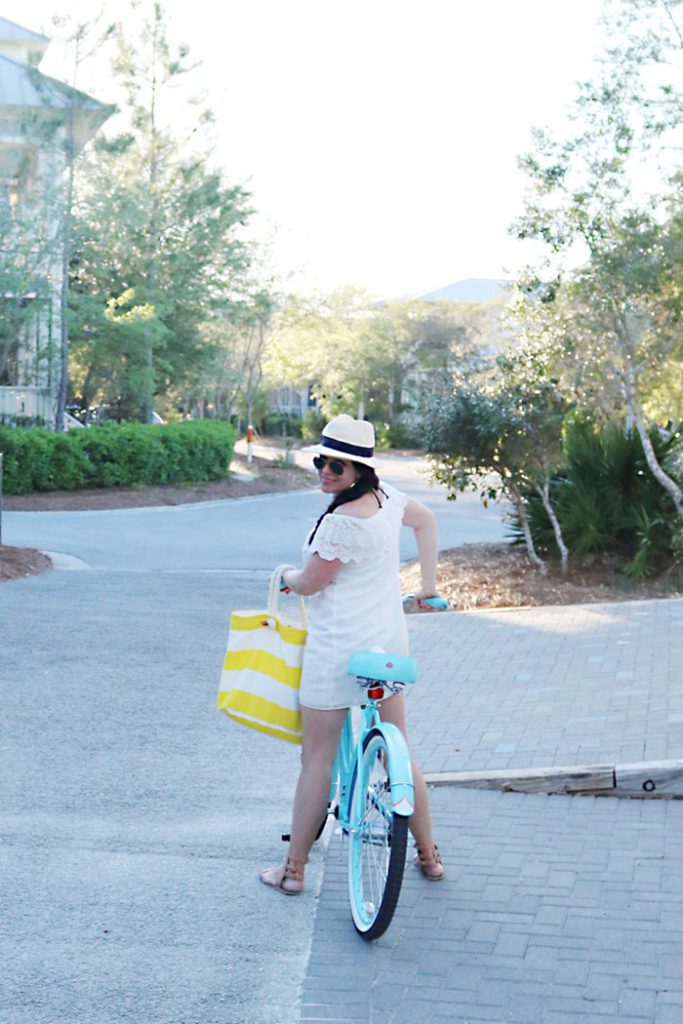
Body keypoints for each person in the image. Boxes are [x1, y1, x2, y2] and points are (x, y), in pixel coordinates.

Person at [260, 413, 445, 895]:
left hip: (338, 650)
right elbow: (427, 522)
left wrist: (285, 576)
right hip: (387, 646)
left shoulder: (341, 523)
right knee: (399, 748)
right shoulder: (389, 501)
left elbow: (310, 582)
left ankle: (293, 869)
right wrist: (427, 588)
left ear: (358, 471)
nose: (325, 472)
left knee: (317, 759)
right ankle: (429, 856)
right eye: (321, 461)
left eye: (336, 467)